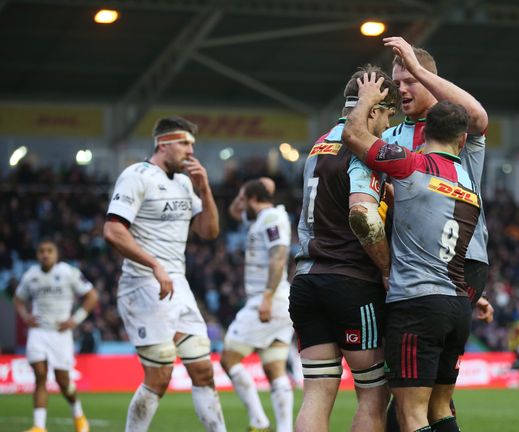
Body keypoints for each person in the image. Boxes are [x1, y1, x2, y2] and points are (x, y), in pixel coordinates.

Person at [343, 72, 480, 432]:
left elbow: (354, 136)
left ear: (422, 133)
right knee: (441, 409)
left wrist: (366, 100)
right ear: (463, 139)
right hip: (456, 305)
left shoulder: (411, 165)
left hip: (416, 304)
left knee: (410, 414)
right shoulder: (470, 184)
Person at [379, 35, 494, 432]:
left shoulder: (452, 128)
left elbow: (479, 118)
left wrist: (419, 67)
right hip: (410, 268)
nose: (402, 89)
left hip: (460, 263)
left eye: (409, 80)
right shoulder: (391, 137)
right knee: (424, 392)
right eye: (397, 82)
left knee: (414, 392)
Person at [289, 64, 399, 432]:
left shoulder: (319, 144)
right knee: (373, 394)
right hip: (350, 282)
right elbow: (362, 216)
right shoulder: (360, 149)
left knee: (317, 393)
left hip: (306, 280)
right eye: (388, 114)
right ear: (375, 108)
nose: (387, 126)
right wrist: (385, 269)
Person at [103, 116, 226, 432]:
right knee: (159, 376)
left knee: (203, 370)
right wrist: (154, 265)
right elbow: (113, 230)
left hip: (178, 285)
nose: (190, 150)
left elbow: (209, 231)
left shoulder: (185, 182)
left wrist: (205, 188)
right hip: (143, 285)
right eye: (184, 143)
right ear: (163, 144)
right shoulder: (136, 176)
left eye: (192, 145)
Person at [220, 178, 294, 432]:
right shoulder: (258, 219)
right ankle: (284, 428)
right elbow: (234, 211)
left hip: (268, 300)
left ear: (252, 199)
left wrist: (266, 296)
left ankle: (258, 421)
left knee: (228, 358)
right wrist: (244, 192)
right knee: (275, 367)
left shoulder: (273, 217)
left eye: (245, 198)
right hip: (279, 302)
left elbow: (279, 255)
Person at [13, 240, 98, 432]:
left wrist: (75, 320)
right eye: (41, 251)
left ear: (57, 254)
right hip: (38, 332)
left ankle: (79, 416)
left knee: (63, 382)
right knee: (40, 376)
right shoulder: (30, 276)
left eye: (49, 251)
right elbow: (18, 299)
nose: (45, 254)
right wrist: (26, 317)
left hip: (60, 334)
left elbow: (92, 296)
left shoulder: (68, 272)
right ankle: (39, 426)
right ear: (37, 255)